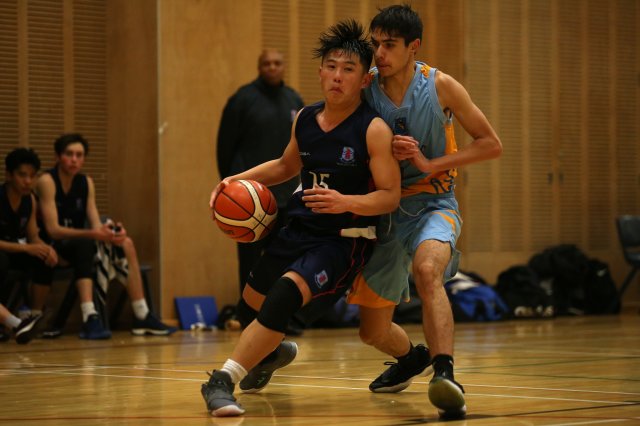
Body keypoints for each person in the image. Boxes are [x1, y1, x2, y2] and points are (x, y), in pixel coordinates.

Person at [201, 20, 401, 417]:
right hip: (299, 228)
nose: (337, 77)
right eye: (331, 67)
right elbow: (285, 165)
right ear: (320, 71)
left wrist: (345, 201)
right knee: (250, 305)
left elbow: (390, 196)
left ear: (365, 79)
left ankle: (221, 380)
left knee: (283, 298)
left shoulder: (374, 130)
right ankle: (270, 355)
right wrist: (234, 180)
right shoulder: (305, 118)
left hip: (343, 238)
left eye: (348, 70)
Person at [346, 4, 502, 420]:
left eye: (390, 45)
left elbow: (490, 143)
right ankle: (413, 358)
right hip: (386, 211)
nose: (380, 53)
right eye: (376, 44)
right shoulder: (365, 89)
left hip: (435, 203)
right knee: (371, 331)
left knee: (428, 269)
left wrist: (430, 163)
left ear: (413, 46)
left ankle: (445, 376)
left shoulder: (441, 86)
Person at [34, 133, 177, 339]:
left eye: (79, 155)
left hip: (80, 243)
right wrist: (95, 233)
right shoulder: (47, 181)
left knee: (125, 242)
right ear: (57, 157)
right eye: (69, 154)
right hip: (51, 247)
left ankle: (141, 314)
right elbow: (53, 230)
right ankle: (89, 316)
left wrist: (110, 231)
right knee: (85, 245)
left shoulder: (86, 182)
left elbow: (95, 223)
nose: (74, 159)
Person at [217, 48, 304, 293]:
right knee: (250, 263)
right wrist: (231, 189)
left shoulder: (294, 100)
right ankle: (248, 309)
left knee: (284, 261)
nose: (272, 67)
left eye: (277, 63)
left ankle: (278, 310)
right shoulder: (242, 100)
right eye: (267, 63)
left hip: (286, 197)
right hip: (249, 200)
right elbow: (225, 148)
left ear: (283, 67)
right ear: (259, 67)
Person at [0, 148, 56, 341]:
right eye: (22, 175)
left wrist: (45, 248)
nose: (28, 181)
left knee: (44, 258)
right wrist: (27, 248)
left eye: (32, 176)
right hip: (3, 253)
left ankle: (34, 316)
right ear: (9, 175)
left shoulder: (30, 199)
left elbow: (33, 236)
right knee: (1, 261)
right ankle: (13, 323)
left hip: (15, 251)